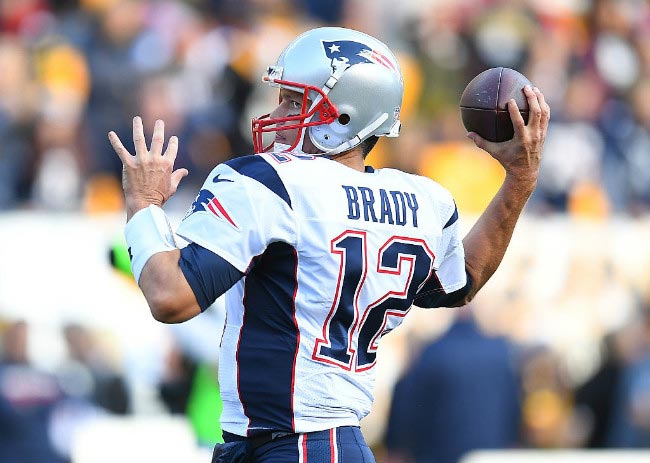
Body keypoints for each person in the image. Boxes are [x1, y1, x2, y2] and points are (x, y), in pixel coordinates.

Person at [109, 27, 549, 463]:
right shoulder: (421, 201)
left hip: (293, 445)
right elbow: (462, 281)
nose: (278, 113)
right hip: (326, 445)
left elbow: (170, 296)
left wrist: (144, 204)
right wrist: (520, 180)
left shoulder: (270, 182)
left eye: (296, 101)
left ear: (344, 116)